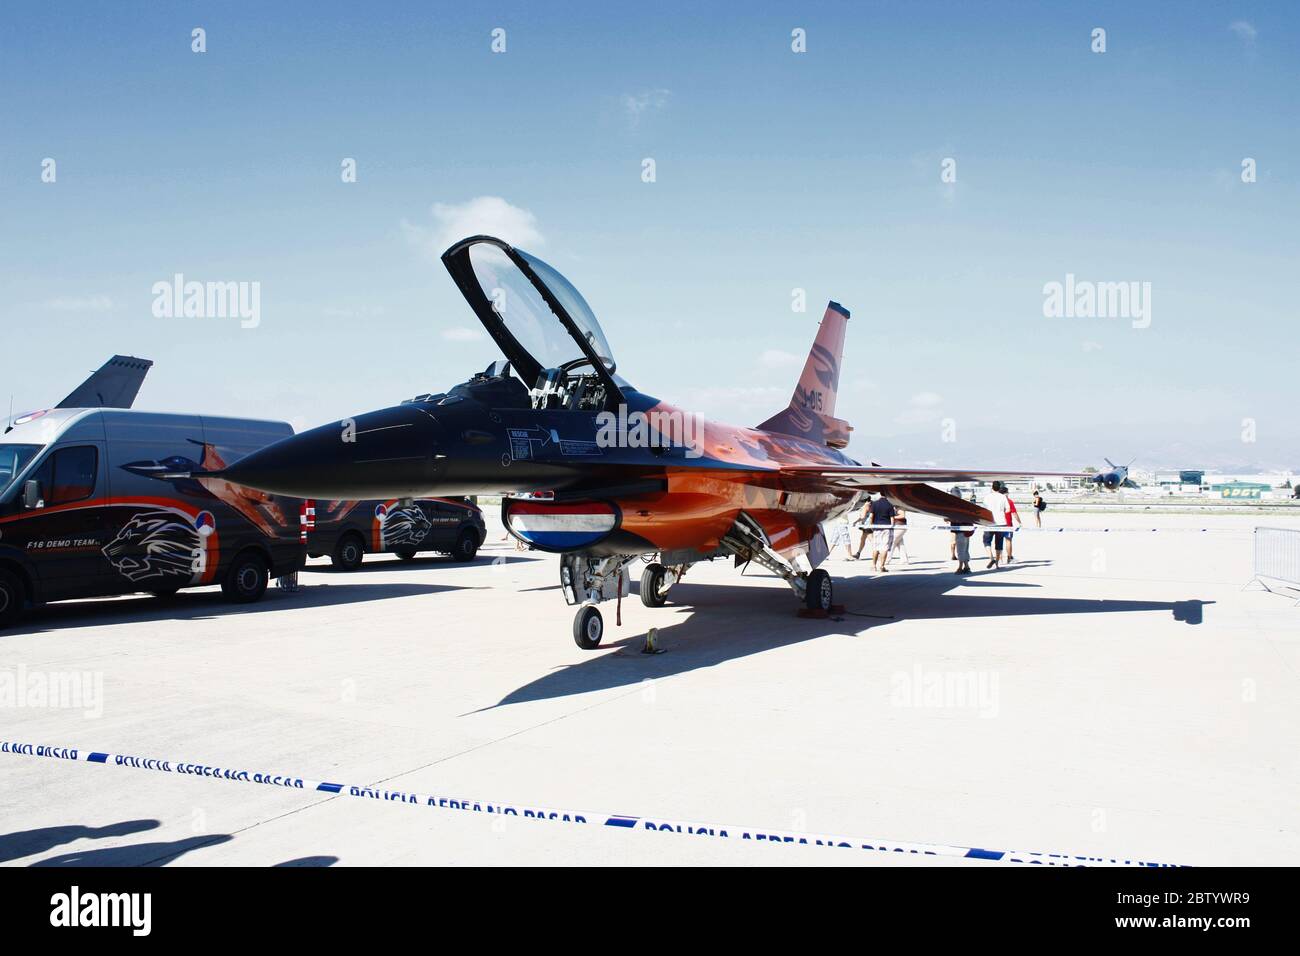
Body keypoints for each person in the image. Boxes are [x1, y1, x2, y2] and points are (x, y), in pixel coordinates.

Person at [982, 481, 1011, 569]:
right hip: (1001, 522)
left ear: (992, 487)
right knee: (999, 543)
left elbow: (984, 509)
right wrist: (1002, 512)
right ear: (999, 488)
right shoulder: (1003, 497)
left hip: (990, 522)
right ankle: (997, 563)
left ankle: (991, 557)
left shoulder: (987, 497)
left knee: (986, 541)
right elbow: (1008, 510)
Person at [1003, 486, 1022, 562]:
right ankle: (1009, 557)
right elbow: (1014, 513)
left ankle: (999, 559)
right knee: (1008, 540)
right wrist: (1019, 522)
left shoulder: (997, 501)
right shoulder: (1009, 501)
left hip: (998, 523)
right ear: (1006, 493)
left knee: (999, 541)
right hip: (1008, 524)